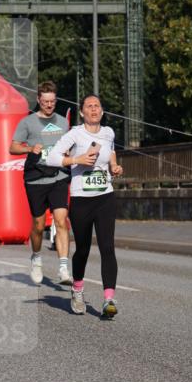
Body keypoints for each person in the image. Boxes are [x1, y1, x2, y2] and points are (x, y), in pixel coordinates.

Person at [45, 95, 124, 320]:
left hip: (105, 197)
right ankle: (77, 289)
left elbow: (111, 153)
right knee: (83, 249)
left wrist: (115, 167)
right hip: (81, 199)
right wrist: (76, 160)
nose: (93, 109)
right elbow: (51, 157)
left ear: (102, 110)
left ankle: (109, 299)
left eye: (97, 106)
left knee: (108, 247)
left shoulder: (108, 133)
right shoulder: (74, 134)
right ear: (82, 112)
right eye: (89, 106)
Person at [10, 81, 72, 285]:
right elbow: (13, 147)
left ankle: (64, 267)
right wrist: (29, 149)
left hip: (59, 176)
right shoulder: (27, 122)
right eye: (45, 102)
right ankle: (36, 258)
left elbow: (69, 145)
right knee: (38, 225)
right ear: (38, 100)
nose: (49, 105)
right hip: (36, 178)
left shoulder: (63, 122)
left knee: (61, 220)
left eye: (52, 101)